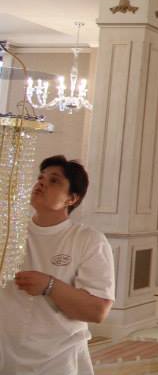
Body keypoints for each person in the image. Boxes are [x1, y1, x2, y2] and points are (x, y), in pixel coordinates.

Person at [0, 155, 115, 375]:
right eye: (41, 177)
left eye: (54, 181)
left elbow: (97, 311)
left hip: (57, 360)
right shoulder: (9, 232)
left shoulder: (88, 240)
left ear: (71, 198)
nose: (41, 182)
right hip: (6, 355)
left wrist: (49, 286)